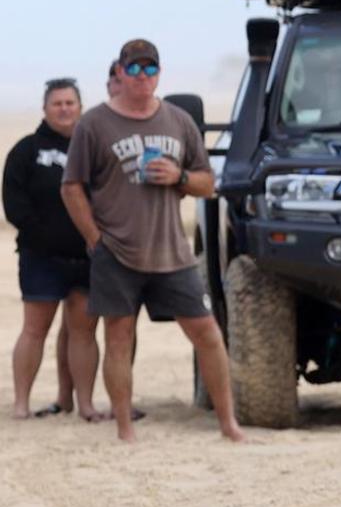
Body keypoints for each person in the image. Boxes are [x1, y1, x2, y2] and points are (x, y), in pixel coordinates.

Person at [62, 39, 245, 443]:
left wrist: (177, 177)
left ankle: (229, 424)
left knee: (208, 334)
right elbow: (71, 186)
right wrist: (94, 237)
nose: (143, 77)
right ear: (120, 73)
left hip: (172, 253)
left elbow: (207, 184)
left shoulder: (178, 121)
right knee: (118, 337)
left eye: (150, 69)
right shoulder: (94, 124)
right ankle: (125, 429)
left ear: (159, 74)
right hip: (116, 253)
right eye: (135, 69)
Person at [3, 78, 104, 421]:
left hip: (88, 256)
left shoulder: (94, 148)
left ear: (80, 107)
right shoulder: (26, 150)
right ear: (45, 109)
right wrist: (42, 236)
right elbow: (14, 203)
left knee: (83, 330)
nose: (64, 109)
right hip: (40, 257)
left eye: (70, 103)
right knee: (35, 330)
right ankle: (20, 404)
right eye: (57, 103)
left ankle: (86, 404)